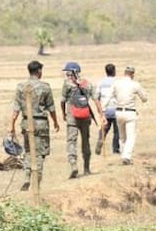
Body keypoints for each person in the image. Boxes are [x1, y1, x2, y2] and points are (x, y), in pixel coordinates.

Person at [8, 60, 60, 191]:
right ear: (39, 71)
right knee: (40, 153)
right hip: (41, 123)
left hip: (26, 122)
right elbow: (51, 108)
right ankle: (36, 181)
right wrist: (55, 122)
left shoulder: (21, 87)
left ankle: (26, 177)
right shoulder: (45, 87)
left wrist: (12, 125)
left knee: (28, 151)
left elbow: (16, 109)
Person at [60, 61, 94, 178]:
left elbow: (62, 100)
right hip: (85, 116)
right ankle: (86, 168)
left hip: (72, 117)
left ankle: (73, 165)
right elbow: (92, 98)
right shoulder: (87, 83)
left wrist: (63, 113)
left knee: (71, 142)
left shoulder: (67, 84)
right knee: (86, 142)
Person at [111, 66, 148, 165]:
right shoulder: (135, 84)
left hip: (118, 112)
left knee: (122, 137)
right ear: (132, 74)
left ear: (124, 73)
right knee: (131, 136)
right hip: (130, 112)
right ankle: (126, 156)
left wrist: (103, 109)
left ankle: (123, 155)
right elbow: (144, 98)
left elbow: (112, 95)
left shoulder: (117, 83)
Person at [94, 63, 120, 155]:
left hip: (105, 109)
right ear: (114, 71)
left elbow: (96, 97)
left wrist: (100, 111)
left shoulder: (100, 82)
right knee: (117, 131)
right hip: (116, 109)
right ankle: (115, 149)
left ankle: (101, 139)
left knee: (104, 128)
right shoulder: (118, 82)